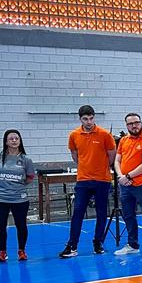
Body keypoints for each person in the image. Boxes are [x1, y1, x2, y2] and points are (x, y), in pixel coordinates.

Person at [60, 105, 116, 258]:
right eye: (85, 119)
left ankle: (98, 243)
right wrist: (86, 166)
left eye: (91, 118)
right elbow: (75, 155)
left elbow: (112, 154)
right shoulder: (74, 135)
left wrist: (102, 167)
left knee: (101, 213)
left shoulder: (104, 134)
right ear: (80, 119)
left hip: (102, 180)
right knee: (78, 212)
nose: (89, 122)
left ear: (94, 117)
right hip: (83, 180)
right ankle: (72, 246)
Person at [113, 113, 142, 258]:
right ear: (126, 126)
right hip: (125, 185)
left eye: (136, 122)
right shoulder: (123, 140)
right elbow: (117, 161)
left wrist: (127, 176)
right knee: (128, 215)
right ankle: (132, 245)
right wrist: (121, 176)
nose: (134, 126)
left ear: (141, 123)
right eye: (130, 124)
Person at [0, 129, 36, 262]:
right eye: (11, 139)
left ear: (20, 141)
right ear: (6, 142)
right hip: (0, 198)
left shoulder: (26, 160)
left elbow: (30, 177)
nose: (14, 140)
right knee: (0, 225)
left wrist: (18, 185)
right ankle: (2, 252)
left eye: (16, 138)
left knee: (21, 225)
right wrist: (2, 183)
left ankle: (21, 251)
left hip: (19, 198)